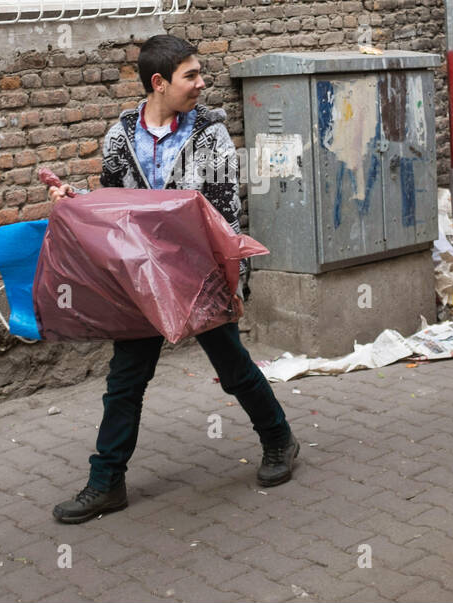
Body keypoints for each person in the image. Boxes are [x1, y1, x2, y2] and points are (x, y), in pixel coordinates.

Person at [47, 34, 297, 524]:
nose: (202, 83)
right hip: (142, 278)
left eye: (200, 74)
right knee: (125, 380)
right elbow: (115, 209)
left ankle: (279, 441)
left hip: (199, 275)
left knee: (233, 368)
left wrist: (234, 282)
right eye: (192, 76)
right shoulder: (119, 139)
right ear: (159, 83)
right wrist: (74, 198)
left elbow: (227, 215)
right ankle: (106, 483)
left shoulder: (211, 137)